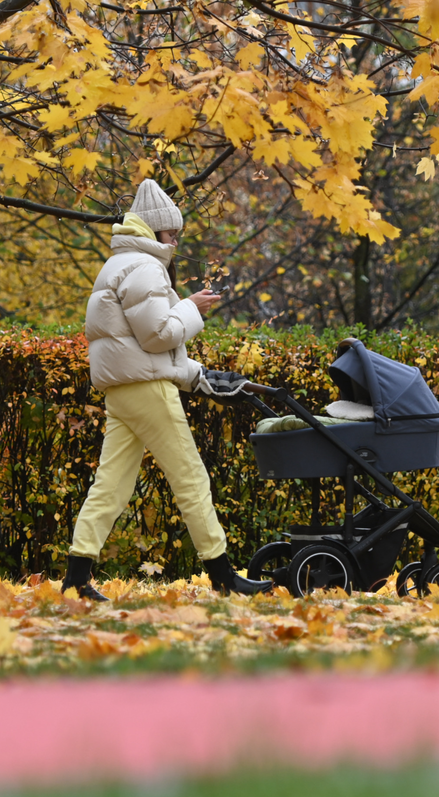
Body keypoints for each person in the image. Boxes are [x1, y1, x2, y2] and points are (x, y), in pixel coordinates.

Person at [59, 179, 270, 600]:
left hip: (122, 391)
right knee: (191, 478)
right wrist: (190, 308)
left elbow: (136, 346)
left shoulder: (117, 264)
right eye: (172, 234)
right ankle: (224, 576)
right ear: (154, 231)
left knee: (112, 485)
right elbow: (158, 336)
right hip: (147, 391)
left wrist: (198, 376)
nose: (175, 242)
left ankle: (76, 579)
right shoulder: (144, 266)